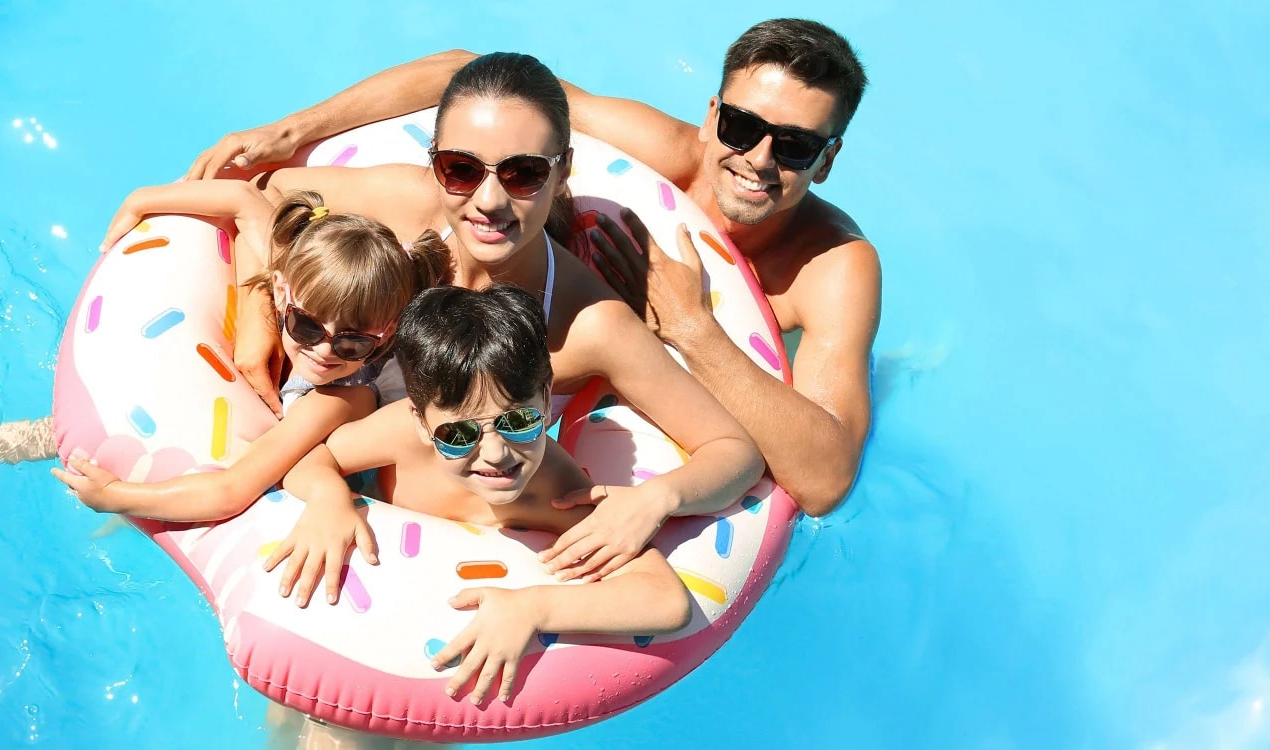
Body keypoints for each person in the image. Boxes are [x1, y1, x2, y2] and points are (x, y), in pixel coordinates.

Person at [187, 19, 879, 517]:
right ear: (712, 116)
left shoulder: (831, 266)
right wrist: (293, 132)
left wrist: (693, 327)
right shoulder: (648, 155)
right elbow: (471, 76)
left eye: (792, 145)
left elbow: (821, 480)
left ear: (829, 156)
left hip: (629, 364)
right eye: (740, 128)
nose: (757, 159)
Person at [189, 52, 764, 589]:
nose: (488, 200)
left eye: (522, 175)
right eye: (461, 169)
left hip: (445, 532)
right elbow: (274, 191)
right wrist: (260, 330)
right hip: (323, 474)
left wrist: (654, 500)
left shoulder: (585, 324)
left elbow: (733, 452)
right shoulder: (408, 209)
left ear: (563, 173)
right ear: (435, 163)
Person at [269, 285, 696, 747]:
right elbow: (308, 460)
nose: (495, 454)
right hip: (368, 618)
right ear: (420, 420)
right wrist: (329, 498)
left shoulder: (554, 489)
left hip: (434, 667)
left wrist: (534, 608)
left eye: (519, 422)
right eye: (457, 433)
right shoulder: (403, 437)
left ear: (547, 400)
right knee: (296, 723)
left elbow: (665, 601)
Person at [0, 182, 447, 527]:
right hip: (246, 388)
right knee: (118, 412)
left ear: (388, 332)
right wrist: (142, 200)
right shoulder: (300, 278)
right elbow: (246, 204)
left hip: (316, 459)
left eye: (352, 341)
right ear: (282, 293)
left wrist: (118, 497)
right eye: (305, 326)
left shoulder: (343, 395)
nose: (325, 350)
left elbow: (234, 489)